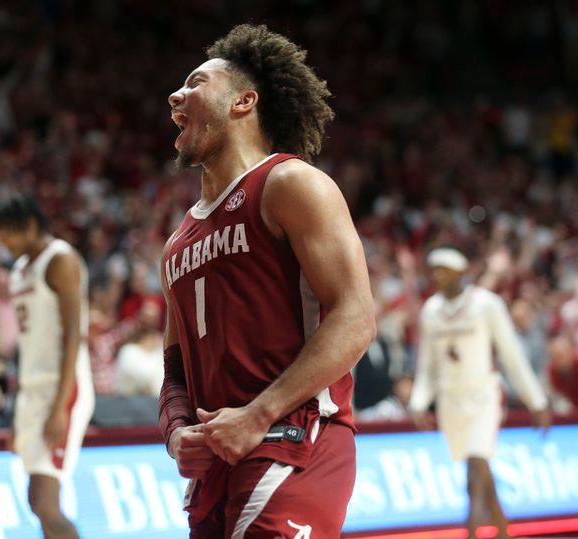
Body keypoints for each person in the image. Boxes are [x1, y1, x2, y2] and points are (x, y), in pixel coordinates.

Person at [160, 25, 375, 538]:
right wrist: (175, 432)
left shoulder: (288, 182)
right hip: (217, 464)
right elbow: (174, 368)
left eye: (196, 82)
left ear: (243, 102)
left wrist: (258, 414)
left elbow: (356, 317)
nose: (176, 96)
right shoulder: (176, 244)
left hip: (296, 439)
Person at [409, 247, 551, 539]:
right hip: (450, 399)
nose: (436, 275)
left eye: (443, 270)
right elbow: (427, 366)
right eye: (433, 269)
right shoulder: (431, 310)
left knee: (476, 462)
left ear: (461, 273)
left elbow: (512, 355)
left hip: (484, 395)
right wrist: (418, 402)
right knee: (477, 468)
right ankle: (502, 530)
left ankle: (471, 532)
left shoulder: (487, 304)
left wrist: (536, 401)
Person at [0, 194, 95, 539]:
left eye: (9, 233)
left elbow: (73, 338)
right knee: (36, 502)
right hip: (32, 391)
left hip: (62, 387)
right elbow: (28, 346)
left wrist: (60, 406)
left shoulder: (61, 259)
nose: (4, 242)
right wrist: (20, 414)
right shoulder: (19, 270)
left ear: (31, 225)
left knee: (45, 502)